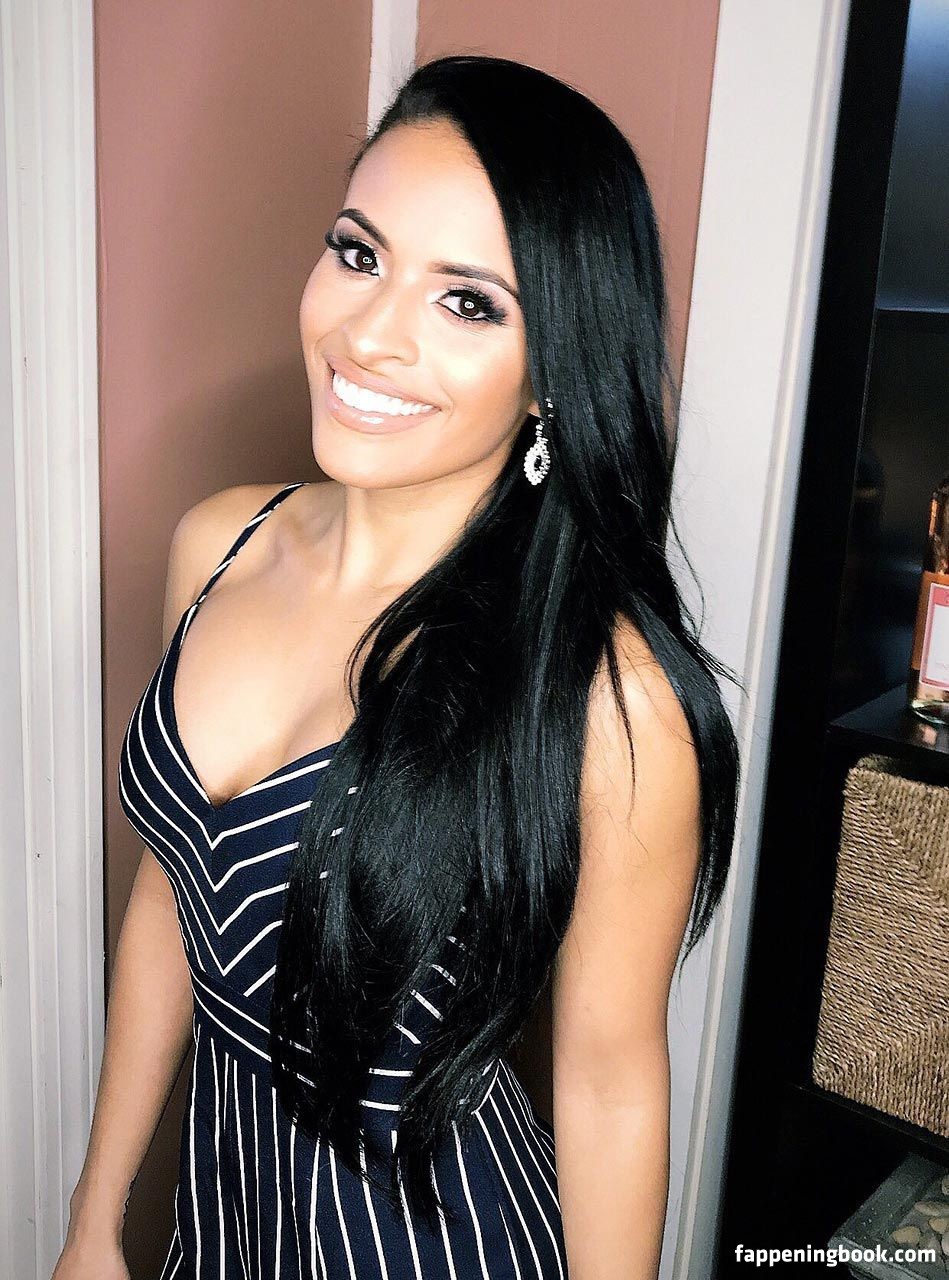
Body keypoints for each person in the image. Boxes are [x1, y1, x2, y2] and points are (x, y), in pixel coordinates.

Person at [54, 54, 740, 1280]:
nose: (367, 335)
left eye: (467, 302)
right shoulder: (219, 543)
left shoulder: (606, 694)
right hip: (221, 1222)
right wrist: (96, 1218)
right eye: (359, 253)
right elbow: (177, 892)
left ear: (553, 370)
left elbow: (607, 1080)